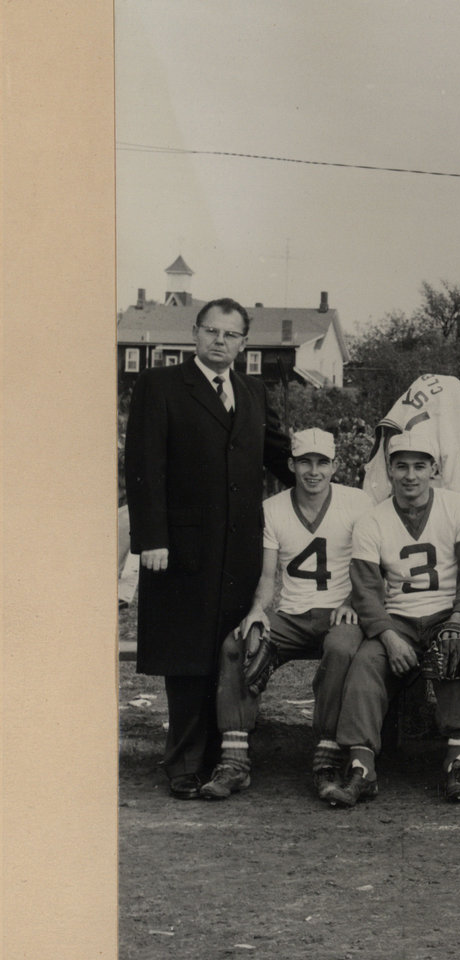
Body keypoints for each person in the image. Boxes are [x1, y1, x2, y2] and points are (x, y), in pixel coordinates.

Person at [124, 297, 294, 798]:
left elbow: (280, 455)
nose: (220, 341)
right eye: (212, 332)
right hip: (180, 547)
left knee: (230, 651)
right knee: (186, 656)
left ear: (244, 342)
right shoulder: (160, 386)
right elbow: (143, 466)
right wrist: (151, 537)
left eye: (231, 334)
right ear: (195, 334)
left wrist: (333, 481)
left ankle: (228, 758)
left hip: (240, 548)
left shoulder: (252, 390)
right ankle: (182, 763)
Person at [210, 429, 370, 800]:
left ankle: (327, 756)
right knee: (236, 644)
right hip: (293, 613)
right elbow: (268, 577)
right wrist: (256, 611)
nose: (313, 471)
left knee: (343, 650)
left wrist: (352, 602)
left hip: (340, 612)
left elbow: (370, 565)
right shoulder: (274, 507)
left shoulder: (358, 502)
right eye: (305, 462)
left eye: (322, 462)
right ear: (292, 465)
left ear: (335, 465)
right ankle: (235, 761)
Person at [325, 433, 460, 807]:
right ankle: (362, 768)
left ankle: (458, 761)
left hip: (447, 613)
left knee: (454, 655)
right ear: (390, 471)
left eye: (419, 466)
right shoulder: (373, 519)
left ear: (435, 470)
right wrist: (390, 637)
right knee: (365, 663)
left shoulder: (459, 507)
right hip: (398, 619)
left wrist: (459, 619)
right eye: (402, 466)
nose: (411, 475)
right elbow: (365, 588)